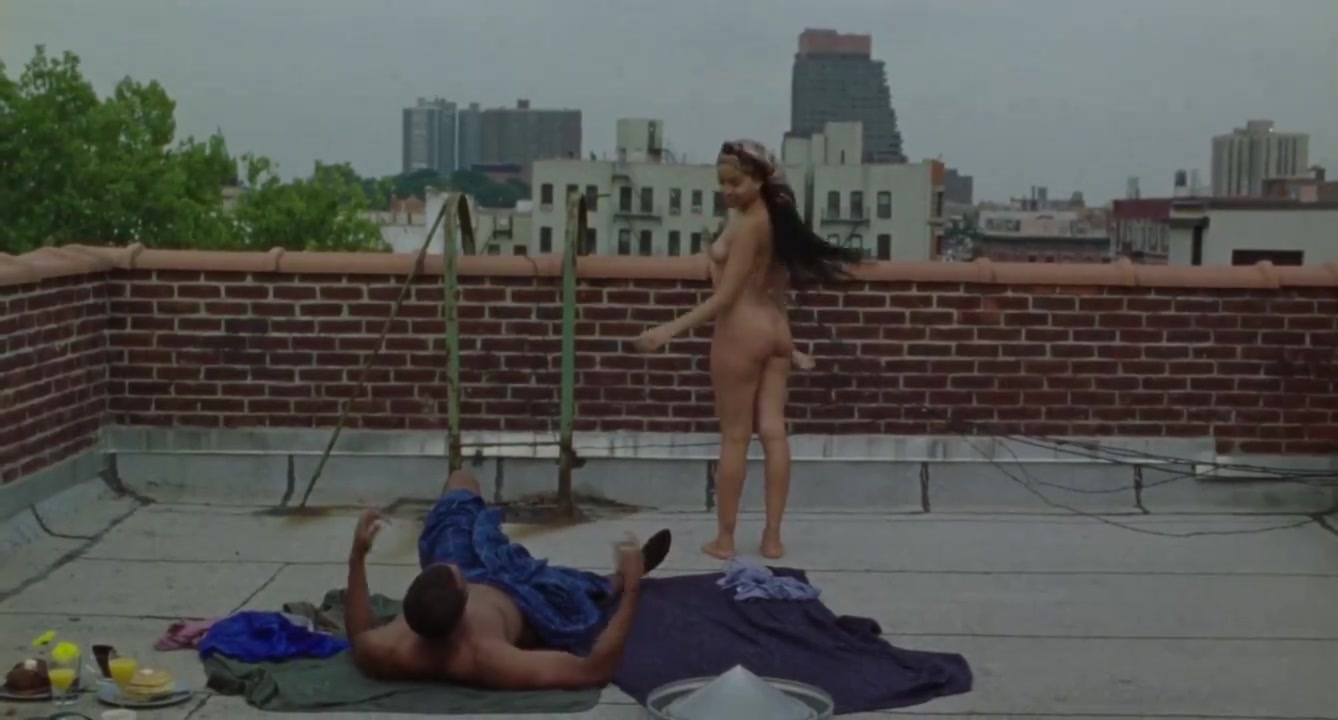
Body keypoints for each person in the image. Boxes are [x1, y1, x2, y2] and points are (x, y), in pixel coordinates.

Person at [632, 139, 862, 560]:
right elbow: (777, 290)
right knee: (774, 432)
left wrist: (668, 330)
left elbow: (726, 297)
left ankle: (725, 538)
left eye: (735, 182)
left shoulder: (751, 224)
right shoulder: (775, 221)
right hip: (774, 330)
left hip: (741, 331)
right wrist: (791, 348)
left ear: (758, 181)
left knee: (736, 436)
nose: (727, 190)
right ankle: (772, 537)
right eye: (722, 182)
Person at [344, 468, 673, 690]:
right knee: (576, 593)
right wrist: (632, 587)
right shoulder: (486, 657)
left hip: (464, 576)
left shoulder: (384, 648)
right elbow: (594, 670)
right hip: (521, 594)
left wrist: (357, 556)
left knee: (460, 481)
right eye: (459, 579)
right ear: (464, 604)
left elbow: (359, 632)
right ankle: (620, 576)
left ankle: (619, 577)